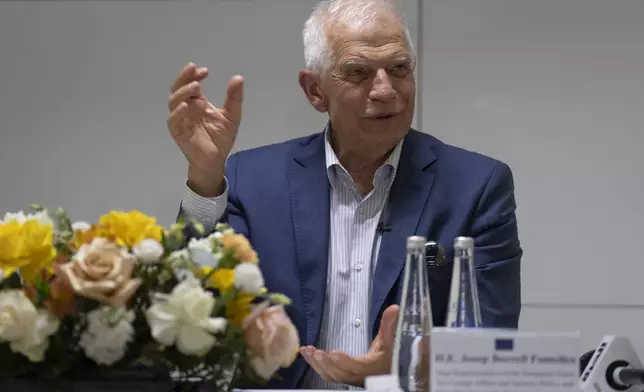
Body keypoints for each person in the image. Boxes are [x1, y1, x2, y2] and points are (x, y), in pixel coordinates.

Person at [167, 0, 522, 389]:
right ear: (315, 91)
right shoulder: (251, 179)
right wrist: (204, 176)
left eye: (399, 68)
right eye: (358, 72)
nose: (385, 90)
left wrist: (407, 370)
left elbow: (492, 349)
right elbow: (192, 309)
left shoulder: (477, 185)